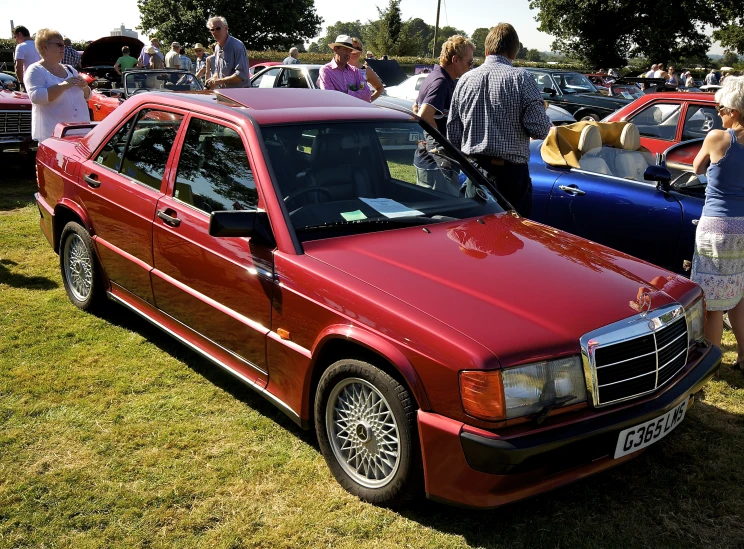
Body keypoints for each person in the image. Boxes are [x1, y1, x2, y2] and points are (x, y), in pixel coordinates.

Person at [447, 23, 551, 217]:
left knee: (475, 235)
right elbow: (540, 129)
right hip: (511, 176)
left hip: (475, 170)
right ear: (514, 51)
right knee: (510, 239)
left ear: (487, 50)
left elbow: (453, 132)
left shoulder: (465, 80)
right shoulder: (522, 79)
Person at [691, 76, 744, 365]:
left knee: (712, 303)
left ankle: (709, 363)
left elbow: (697, 166)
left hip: (718, 226)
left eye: (721, 108)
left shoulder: (718, 138)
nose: (718, 112)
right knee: (739, 296)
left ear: (734, 110)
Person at [413, 35, 475, 192]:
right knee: (443, 213)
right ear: (455, 60)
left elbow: (415, 108)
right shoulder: (440, 82)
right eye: (470, 62)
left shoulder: (436, 77)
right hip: (437, 164)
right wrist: (446, 146)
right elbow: (423, 115)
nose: (471, 67)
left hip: (431, 159)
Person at [24, 28, 90, 142]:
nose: (63, 48)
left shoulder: (70, 69)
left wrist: (84, 87)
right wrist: (63, 85)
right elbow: (36, 97)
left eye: (63, 45)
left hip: (80, 134)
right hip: (53, 138)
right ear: (44, 47)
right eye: (59, 44)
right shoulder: (35, 70)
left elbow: (88, 96)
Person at [317, 35, 371, 101]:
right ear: (336, 49)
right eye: (345, 49)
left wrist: (344, 93)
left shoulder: (355, 71)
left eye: (350, 50)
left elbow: (367, 95)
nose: (348, 54)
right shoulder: (326, 71)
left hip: (355, 111)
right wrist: (355, 93)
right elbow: (330, 98)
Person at [204, 16, 250, 89]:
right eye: (212, 30)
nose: (215, 32)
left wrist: (220, 81)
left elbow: (241, 75)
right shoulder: (217, 48)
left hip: (239, 94)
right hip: (223, 93)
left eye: (218, 28)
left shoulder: (237, 46)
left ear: (226, 28)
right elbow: (218, 71)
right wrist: (213, 79)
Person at [349, 37, 383, 102]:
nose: (355, 52)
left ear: (361, 52)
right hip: (345, 108)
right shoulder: (341, 68)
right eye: (352, 48)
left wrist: (369, 100)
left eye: (358, 49)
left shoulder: (366, 70)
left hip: (361, 109)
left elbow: (380, 88)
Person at [14, 26, 42, 91]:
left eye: (15, 37)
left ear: (20, 34)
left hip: (29, 80)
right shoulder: (40, 45)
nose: (16, 40)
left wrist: (21, 83)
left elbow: (18, 67)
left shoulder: (21, 47)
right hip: (43, 78)